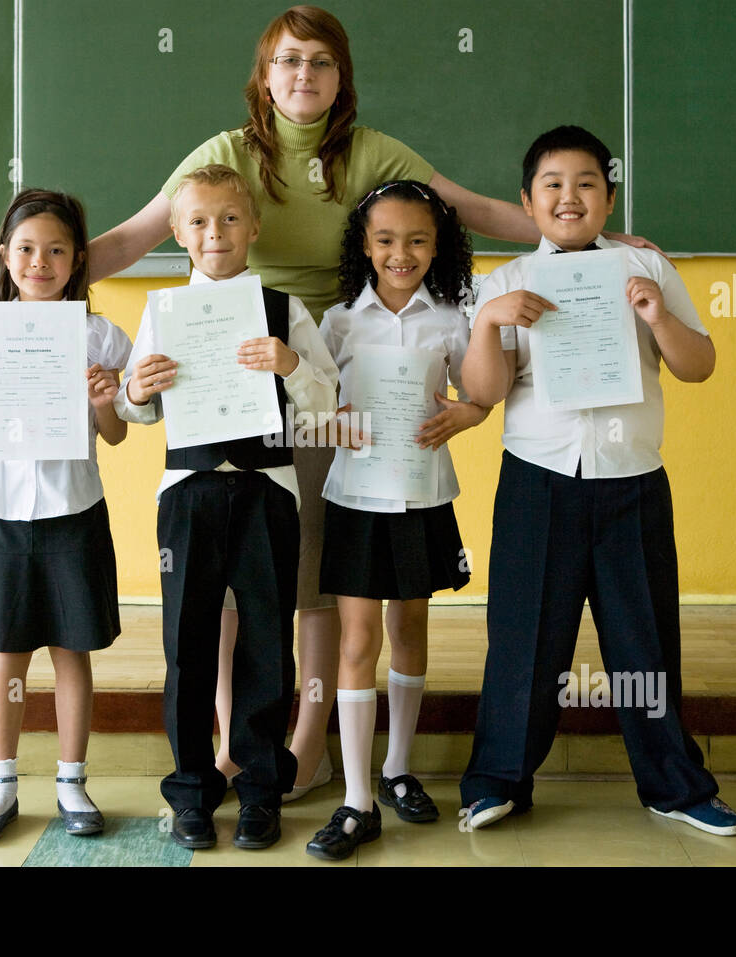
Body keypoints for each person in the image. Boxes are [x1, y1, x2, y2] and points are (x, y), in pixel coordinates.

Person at [88, 4, 629, 803]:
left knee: (308, 572)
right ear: (264, 75)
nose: (303, 75)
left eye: (320, 63)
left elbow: (470, 211)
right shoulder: (224, 155)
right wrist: (41, 284)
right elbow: (136, 237)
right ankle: (236, 732)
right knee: (231, 583)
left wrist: (586, 238)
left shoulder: (372, 150)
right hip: (228, 376)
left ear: (341, 79)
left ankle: (309, 732)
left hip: (322, 369)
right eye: (288, 61)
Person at [458, 126, 736, 836]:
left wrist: (655, 313)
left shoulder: (646, 268)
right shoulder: (503, 284)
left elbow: (699, 364)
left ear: (608, 197)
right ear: (527, 202)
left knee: (644, 640)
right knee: (524, 637)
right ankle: (497, 779)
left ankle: (673, 785)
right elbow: (484, 392)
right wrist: (488, 325)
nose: (569, 196)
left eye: (587, 183)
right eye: (552, 184)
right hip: (538, 479)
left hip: (632, 481)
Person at [113, 165, 338, 850]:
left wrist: (290, 364)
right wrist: (138, 390)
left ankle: (262, 790)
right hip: (189, 494)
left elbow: (326, 403)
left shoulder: (284, 309)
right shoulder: (162, 309)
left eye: (231, 219)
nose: (218, 233)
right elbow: (133, 410)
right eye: (202, 222)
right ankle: (190, 791)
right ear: (179, 234)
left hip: (270, 489)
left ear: (255, 227)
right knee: (188, 644)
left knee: (268, 641)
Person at [304, 180, 486, 860]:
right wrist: (333, 421)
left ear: (437, 244)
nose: (400, 253)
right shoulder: (341, 321)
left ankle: (398, 768)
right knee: (356, 643)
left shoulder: (451, 317)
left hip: (423, 495)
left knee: (409, 627)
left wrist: (469, 413)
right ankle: (356, 798)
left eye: (416, 239)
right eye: (385, 240)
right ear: (364, 246)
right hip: (355, 498)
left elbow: (479, 393)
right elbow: (313, 409)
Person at [0, 190, 132, 841]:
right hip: (0, 512)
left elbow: (115, 435)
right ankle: (1, 785)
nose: (40, 261)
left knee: (72, 650)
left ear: (78, 257)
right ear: (5, 255)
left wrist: (106, 397)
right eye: (26, 249)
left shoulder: (101, 334)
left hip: (72, 510)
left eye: (56, 250)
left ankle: (72, 782)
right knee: (6, 653)